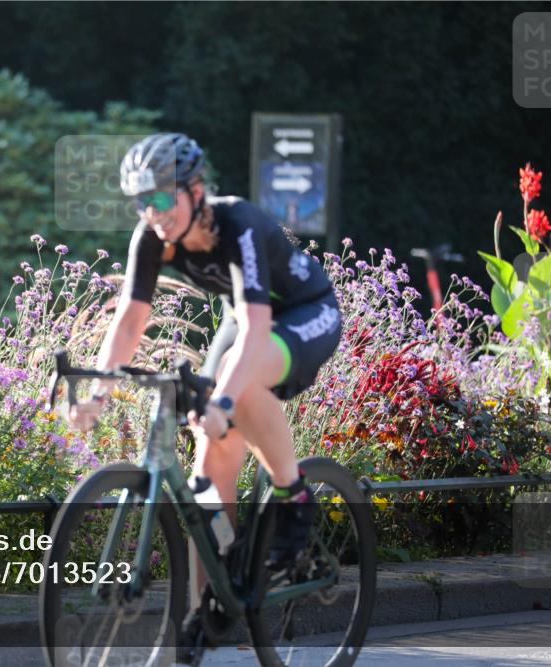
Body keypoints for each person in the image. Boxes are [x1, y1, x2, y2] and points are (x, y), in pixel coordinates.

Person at [68, 132, 342, 662]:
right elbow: (130, 319)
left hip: (305, 313)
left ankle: (294, 494)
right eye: (142, 202)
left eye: (164, 197)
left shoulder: (238, 224)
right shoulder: (151, 236)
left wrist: (223, 403)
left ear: (195, 190)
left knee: (235, 389)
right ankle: (210, 605)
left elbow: (258, 331)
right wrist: (99, 390)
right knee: (205, 474)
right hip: (245, 324)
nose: (154, 212)